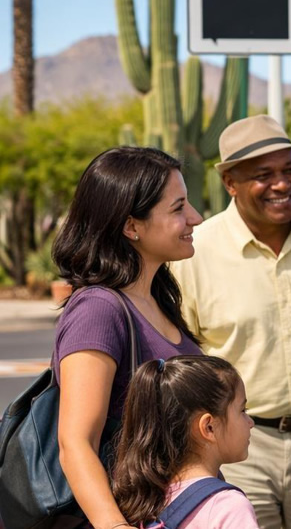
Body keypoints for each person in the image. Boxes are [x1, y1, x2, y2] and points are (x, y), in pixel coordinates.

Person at [169, 115, 291, 529]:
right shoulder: (194, 253)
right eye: (263, 175)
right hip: (239, 450)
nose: (281, 184)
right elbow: (182, 360)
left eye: (289, 170)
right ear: (230, 183)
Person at [51, 146, 205, 529]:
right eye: (178, 208)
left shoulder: (156, 297)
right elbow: (76, 443)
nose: (195, 218)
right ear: (131, 226)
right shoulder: (98, 310)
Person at [112, 355, 257, 528]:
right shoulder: (228, 506)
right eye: (243, 410)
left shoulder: (142, 498)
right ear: (209, 427)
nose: (251, 422)